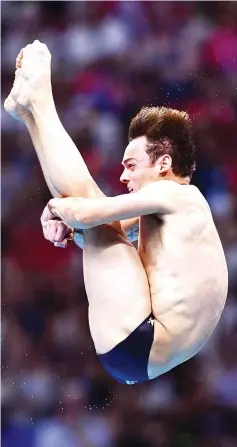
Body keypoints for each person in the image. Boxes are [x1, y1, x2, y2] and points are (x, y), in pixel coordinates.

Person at [4, 40, 228, 385]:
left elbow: (86, 212)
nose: (123, 176)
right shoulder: (176, 213)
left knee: (91, 202)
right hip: (137, 348)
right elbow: (88, 225)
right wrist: (70, 225)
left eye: (131, 165)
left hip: (142, 336)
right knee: (96, 220)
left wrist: (62, 214)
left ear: (164, 164)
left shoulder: (178, 196)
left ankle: (39, 103)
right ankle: (30, 112)